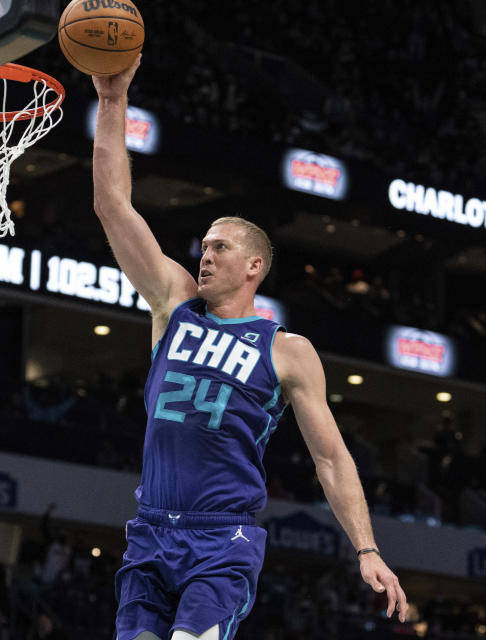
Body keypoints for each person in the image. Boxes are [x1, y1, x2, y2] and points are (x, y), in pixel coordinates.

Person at [91, 57, 408, 640]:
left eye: (219, 247)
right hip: (151, 529)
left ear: (254, 266)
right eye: (203, 245)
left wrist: (366, 549)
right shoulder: (173, 304)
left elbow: (332, 459)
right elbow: (114, 207)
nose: (204, 255)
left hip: (221, 539)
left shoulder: (286, 351)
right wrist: (113, 102)